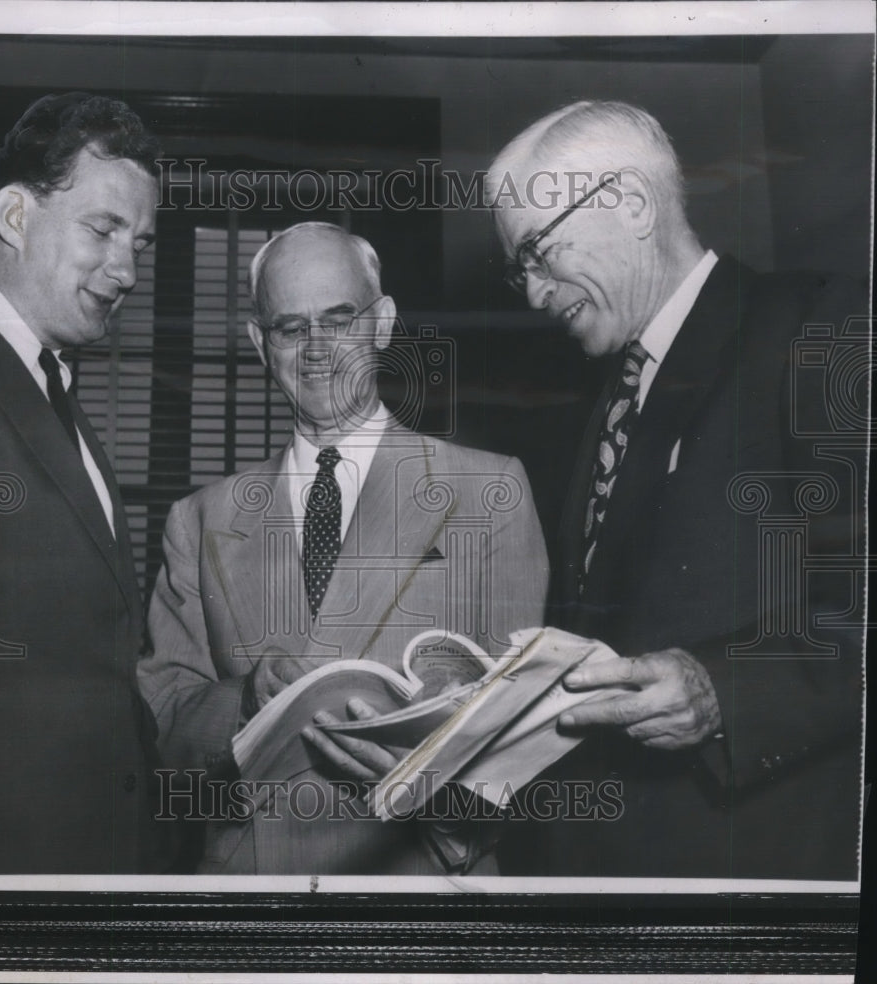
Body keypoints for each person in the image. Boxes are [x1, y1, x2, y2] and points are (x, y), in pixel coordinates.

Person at [486, 100, 864, 879]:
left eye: (537, 252)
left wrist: (722, 687)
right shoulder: (601, 401)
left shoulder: (816, 326)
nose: (532, 294)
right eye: (516, 269)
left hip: (756, 872)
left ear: (629, 204)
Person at [139, 221, 548, 875]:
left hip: (418, 903)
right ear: (259, 343)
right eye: (290, 327)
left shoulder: (488, 492)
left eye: (339, 319)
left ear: (382, 324)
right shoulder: (198, 520)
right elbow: (162, 722)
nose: (317, 349)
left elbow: (523, 732)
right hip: (250, 915)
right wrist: (246, 699)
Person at [0, 92, 173, 873]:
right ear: (15, 216)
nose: (126, 270)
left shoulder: (63, 403)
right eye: (103, 229)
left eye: (142, 243)